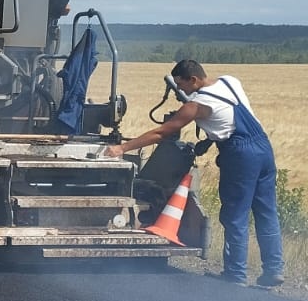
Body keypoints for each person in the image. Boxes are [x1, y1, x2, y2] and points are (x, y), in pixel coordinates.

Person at [105, 60, 284, 287]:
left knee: (235, 215)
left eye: (183, 86)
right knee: (266, 211)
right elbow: (229, 118)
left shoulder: (198, 104)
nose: (182, 91)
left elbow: (162, 132)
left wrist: (122, 148)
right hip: (263, 149)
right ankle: (274, 270)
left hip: (240, 155)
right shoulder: (230, 82)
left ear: (194, 80)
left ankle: (236, 274)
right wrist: (209, 140)